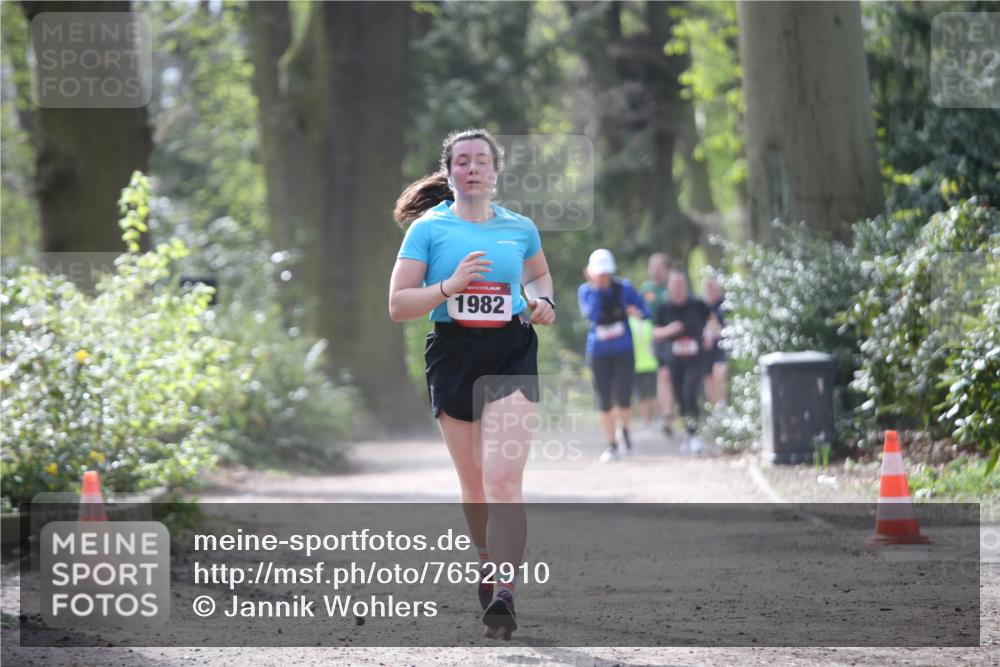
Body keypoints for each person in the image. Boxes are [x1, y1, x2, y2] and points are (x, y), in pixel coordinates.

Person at [388, 129, 556, 640]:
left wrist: (544, 302)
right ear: (451, 171)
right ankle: (486, 560)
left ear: (496, 171)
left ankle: (505, 590)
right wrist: (449, 286)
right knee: (476, 483)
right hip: (453, 353)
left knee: (505, 479)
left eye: (482, 160)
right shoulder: (427, 230)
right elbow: (398, 305)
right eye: (463, 161)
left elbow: (539, 278)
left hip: (510, 351)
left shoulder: (519, 227)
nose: (473, 168)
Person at [578, 248, 650, 463]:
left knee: (624, 396)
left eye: (606, 274)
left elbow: (646, 311)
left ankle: (624, 430)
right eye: (599, 274)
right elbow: (590, 314)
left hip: (623, 351)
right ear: (590, 273)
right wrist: (598, 290)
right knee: (604, 398)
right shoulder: (586, 291)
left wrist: (636, 312)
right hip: (598, 352)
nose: (603, 278)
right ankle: (611, 444)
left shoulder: (624, 288)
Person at [653, 270, 709, 454]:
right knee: (680, 397)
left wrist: (709, 333)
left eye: (680, 283)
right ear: (669, 286)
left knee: (689, 393)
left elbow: (713, 321)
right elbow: (654, 333)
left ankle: (695, 435)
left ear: (685, 285)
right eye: (674, 284)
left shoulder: (698, 304)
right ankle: (689, 434)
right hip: (674, 360)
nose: (677, 287)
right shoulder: (663, 308)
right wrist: (669, 330)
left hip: (696, 358)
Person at [640, 253, 678, 436]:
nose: (654, 270)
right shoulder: (646, 288)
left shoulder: (674, 286)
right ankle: (662, 416)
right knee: (658, 377)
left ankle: (671, 414)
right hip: (652, 339)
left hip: (674, 338)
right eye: (652, 266)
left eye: (658, 266)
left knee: (670, 377)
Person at [629, 311, 659, 426]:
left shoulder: (648, 322)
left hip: (650, 364)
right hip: (635, 365)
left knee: (651, 393)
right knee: (641, 394)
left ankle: (654, 417)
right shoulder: (629, 322)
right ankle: (647, 419)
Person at [702, 276, 728, 406]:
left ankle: (721, 403)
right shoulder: (702, 306)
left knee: (719, 373)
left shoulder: (725, 306)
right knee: (708, 377)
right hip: (706, 347)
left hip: (721, 346)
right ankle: (713, 407)